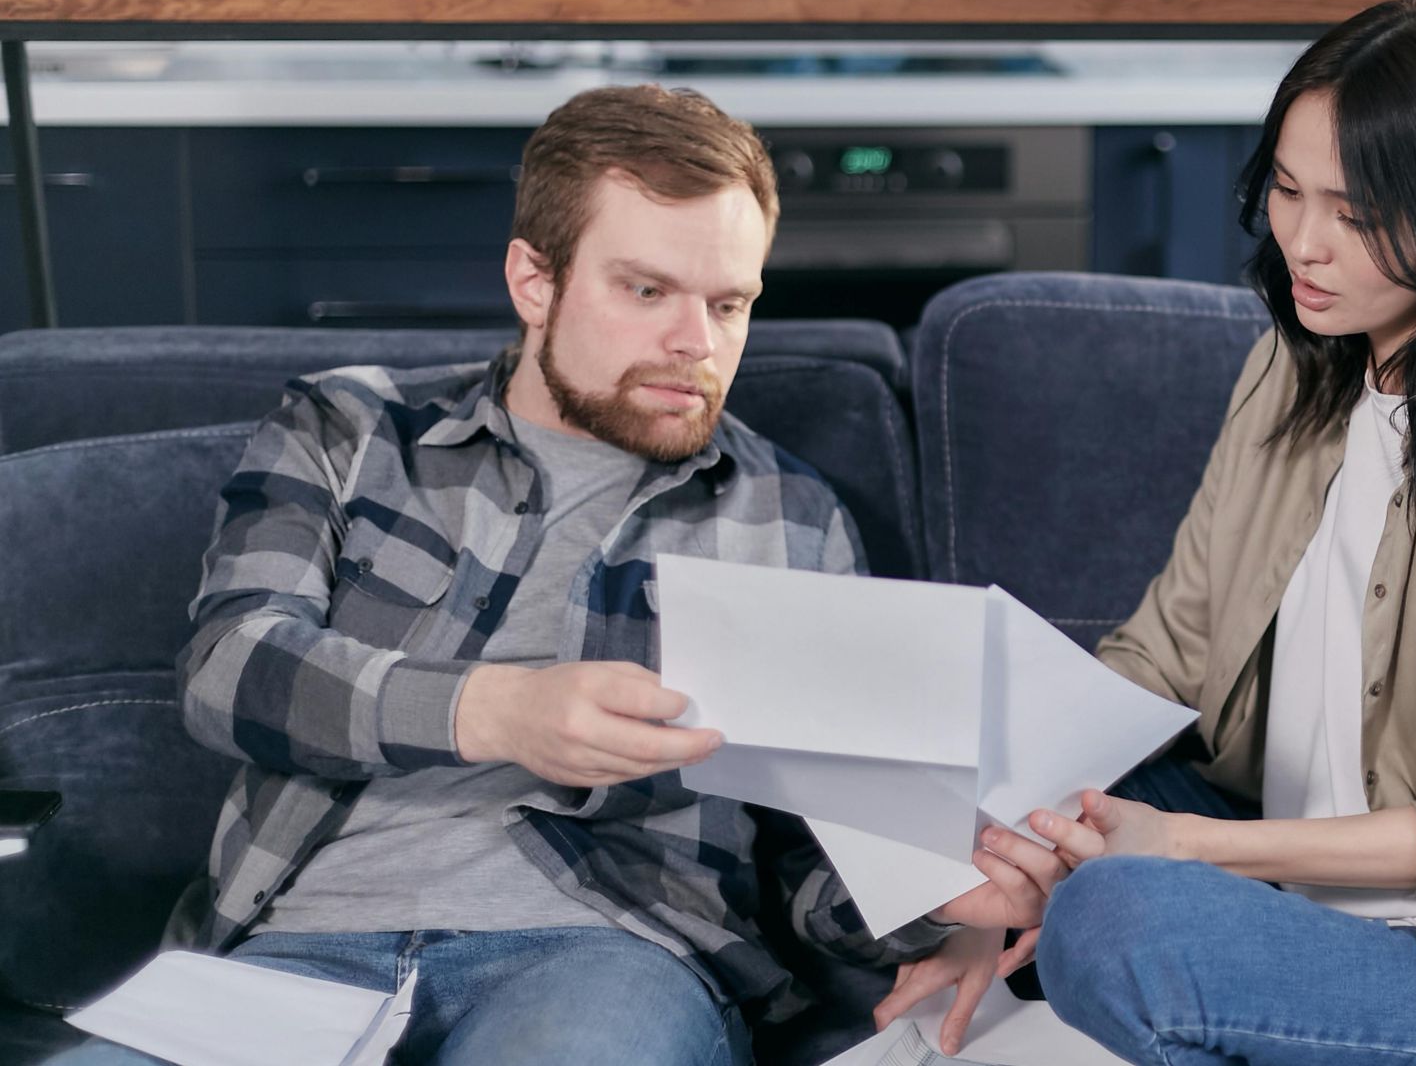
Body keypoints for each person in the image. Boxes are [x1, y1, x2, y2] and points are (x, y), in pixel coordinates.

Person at [48, 84, 1043, 1066]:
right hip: (295, 950)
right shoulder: (350, 429)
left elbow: (809, 855)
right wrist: (498, 712)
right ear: (535, 281)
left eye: (729, 303)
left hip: (607, 955)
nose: (696, 344)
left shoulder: (789, 515)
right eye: (646, 291)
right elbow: (230, 665)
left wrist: (931, 900)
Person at [876, 0, 1416, 1065]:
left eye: (1356, 212)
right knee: (1015, 778)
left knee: (1111, 923)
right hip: (1277, 876)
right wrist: (1011, 871)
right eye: (1290, 191)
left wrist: (1187, 848)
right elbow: (1163, 655)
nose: (1302, 242)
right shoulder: (1294, 367)